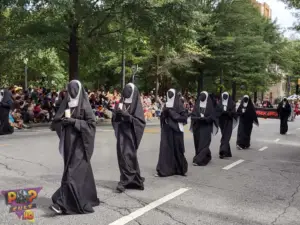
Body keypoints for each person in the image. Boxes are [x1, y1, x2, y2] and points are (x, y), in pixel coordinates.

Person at [49, 80, 100, 215]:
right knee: (74, 173)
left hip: (81, 144)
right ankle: (88, 196)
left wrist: (74, 122)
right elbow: (56, 121)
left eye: (74, 89)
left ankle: (62, 204)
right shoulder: (66, 103)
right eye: (69, 89)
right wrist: (63, 123)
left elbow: (91, 124)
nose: (71, 91)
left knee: (72, 174)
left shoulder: (84, 104)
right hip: (69, 145)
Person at [112, 83, 146, 193]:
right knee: (121, 156)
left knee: (128, 156)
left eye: (128, 90)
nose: (125, 92)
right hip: (121, 132)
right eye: (124, 90)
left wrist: (128, 117)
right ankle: (132, 178)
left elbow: (140, 122)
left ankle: (125, 181)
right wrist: (116, 114)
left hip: (131, 134)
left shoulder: (136, 104)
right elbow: (115, 119)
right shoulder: (121, 102)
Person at [156, 88, 188, 177]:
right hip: (166, 130)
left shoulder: (179, 104)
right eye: (168, 93)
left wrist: (172, 114)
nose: (169, 95)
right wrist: (164, 114)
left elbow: (184, 118)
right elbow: (163, 117)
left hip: (176, 130)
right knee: (165, 149)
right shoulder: (166, 104)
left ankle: (179, 168)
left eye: (171, 94)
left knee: (177, 149)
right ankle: (164, 170)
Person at [190, 91, 218, 166]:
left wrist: (206, 119)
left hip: (206, 127)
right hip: (197, 126)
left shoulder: (210, 106)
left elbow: (213, 117)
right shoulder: (197, 105)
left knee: (204, 143)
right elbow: (192, 115)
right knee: (198, 142)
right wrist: (198, 118)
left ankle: (198, 160)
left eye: (203, 96)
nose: (201, 97)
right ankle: (205, 156)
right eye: (200, 96)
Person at [216, 92, 238, 159]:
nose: (225, 97)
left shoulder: (232, 104)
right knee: (224, 136)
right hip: (222, 122)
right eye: (224, 96)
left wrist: (228, 113)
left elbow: (234, 113)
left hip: (229, 121)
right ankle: (227, 152)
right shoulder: (219, 103)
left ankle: (222, 151)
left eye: (226, 96)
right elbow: (217, 112)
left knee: (226, 136)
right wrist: (221, 113)